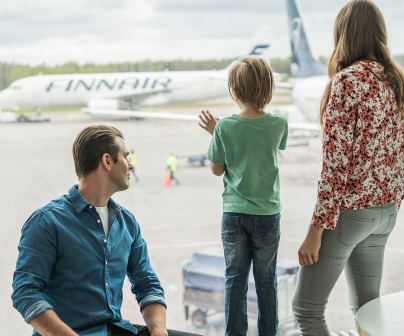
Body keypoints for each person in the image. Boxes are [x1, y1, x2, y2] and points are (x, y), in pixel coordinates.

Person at [291, 1, 404, 335]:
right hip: (386, 211)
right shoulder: (395, 79)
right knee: (368, 310)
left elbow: (335, 165)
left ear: (343, 35)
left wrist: (316, 230)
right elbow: (397, 152)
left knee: (305, 309)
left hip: (351, 213)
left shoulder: (347, 82)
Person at [11, 125, 199, 336]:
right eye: (126, 157)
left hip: (114, 329)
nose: (130, 165)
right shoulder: (46, 222)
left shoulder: (126, 221)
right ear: (107, 161)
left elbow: (148, 284)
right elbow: (26, 293)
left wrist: (158, 332)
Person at [198, 56, 288, 336]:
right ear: (269, 88)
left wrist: (217, 133)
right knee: (266, 283)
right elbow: (268, 145)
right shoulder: (279, 123)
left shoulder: (225, 127)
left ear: (233, 91)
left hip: (234, 215)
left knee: (235, 282)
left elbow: (217, 169)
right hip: (267, 215)